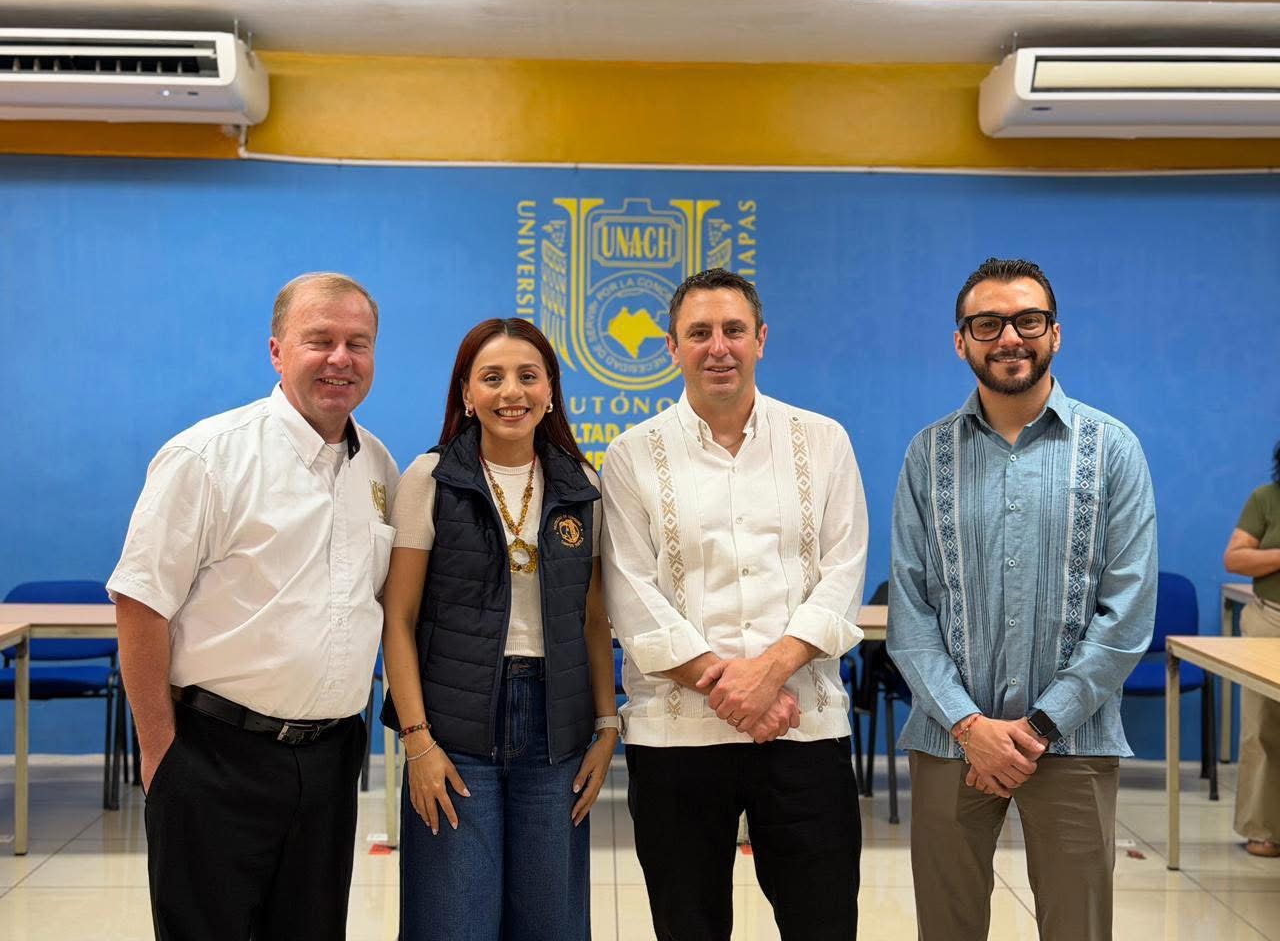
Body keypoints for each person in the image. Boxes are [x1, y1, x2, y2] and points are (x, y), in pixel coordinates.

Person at [108, 272, 399, 941]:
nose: (340, 359)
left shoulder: (378, 467)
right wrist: (162, 758)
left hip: (330, 761)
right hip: (213, 756)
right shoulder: (206, 457)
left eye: (358, 343)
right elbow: (141, 604)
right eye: (319, 340)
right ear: (276, 351)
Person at [889, 257, 1158, 941]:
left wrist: (1037, 728)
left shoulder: (1113, 450)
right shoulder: (926, 455)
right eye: (988, 324)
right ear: (961, 342)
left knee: (1077, 929)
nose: (1010, 337)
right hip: (950, 743)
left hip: (1074, 741)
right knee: (946, 930)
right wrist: (968, 727)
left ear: (1055, 333)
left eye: (1028, 320)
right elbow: (910, 612)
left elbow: (1127, 616)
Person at [601, 267, 868, 941]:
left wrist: (769, 674)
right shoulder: (632, 455)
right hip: (678, 736)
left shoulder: (824, 441)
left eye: (733, 330)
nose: (718, 347)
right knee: (688, 928)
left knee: (824, 924)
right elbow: (629, 593)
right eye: (699, 333)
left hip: (803, 727)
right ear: (672, 347)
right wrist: (737, 690)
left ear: (761, 339)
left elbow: (843, 572)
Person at [380, 318, 617, 941]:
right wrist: (418, 742)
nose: (512, 392)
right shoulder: (430, 479)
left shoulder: (583, 485)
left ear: (550, 391)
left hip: (556, 734)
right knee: (453, 922)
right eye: (492, 377)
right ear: (466, 393)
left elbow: (593, 620)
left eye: (527, 376)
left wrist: (606, 727)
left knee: (552, 923)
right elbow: (398, 619)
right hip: (452, 732)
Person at [1223, 439, 1280, 858]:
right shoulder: (1267, 499)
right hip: (1271, 621)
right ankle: (1263, 829)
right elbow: (1236, 559)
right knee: (1262, 727)